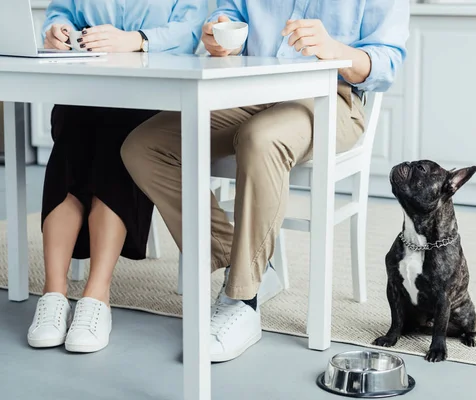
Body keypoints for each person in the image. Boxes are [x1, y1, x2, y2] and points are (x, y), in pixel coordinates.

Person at [122, 0, 409, 362]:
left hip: (329, 97)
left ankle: (242, 298)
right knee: (144, 146)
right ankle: (246, 263)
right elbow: (227, 15)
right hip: (246, 88)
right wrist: (221, 33)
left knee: (260, 138)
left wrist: (335, 50)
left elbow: (387, 63)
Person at [27, 0, 206, 353]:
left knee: (120, 136)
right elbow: (64, 12)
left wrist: (138, 39)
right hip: (88, 85)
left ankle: (97, 294)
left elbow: (192, 28)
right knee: (73, 134)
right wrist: (57, 31)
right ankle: (54, 293)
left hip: (156, 91)